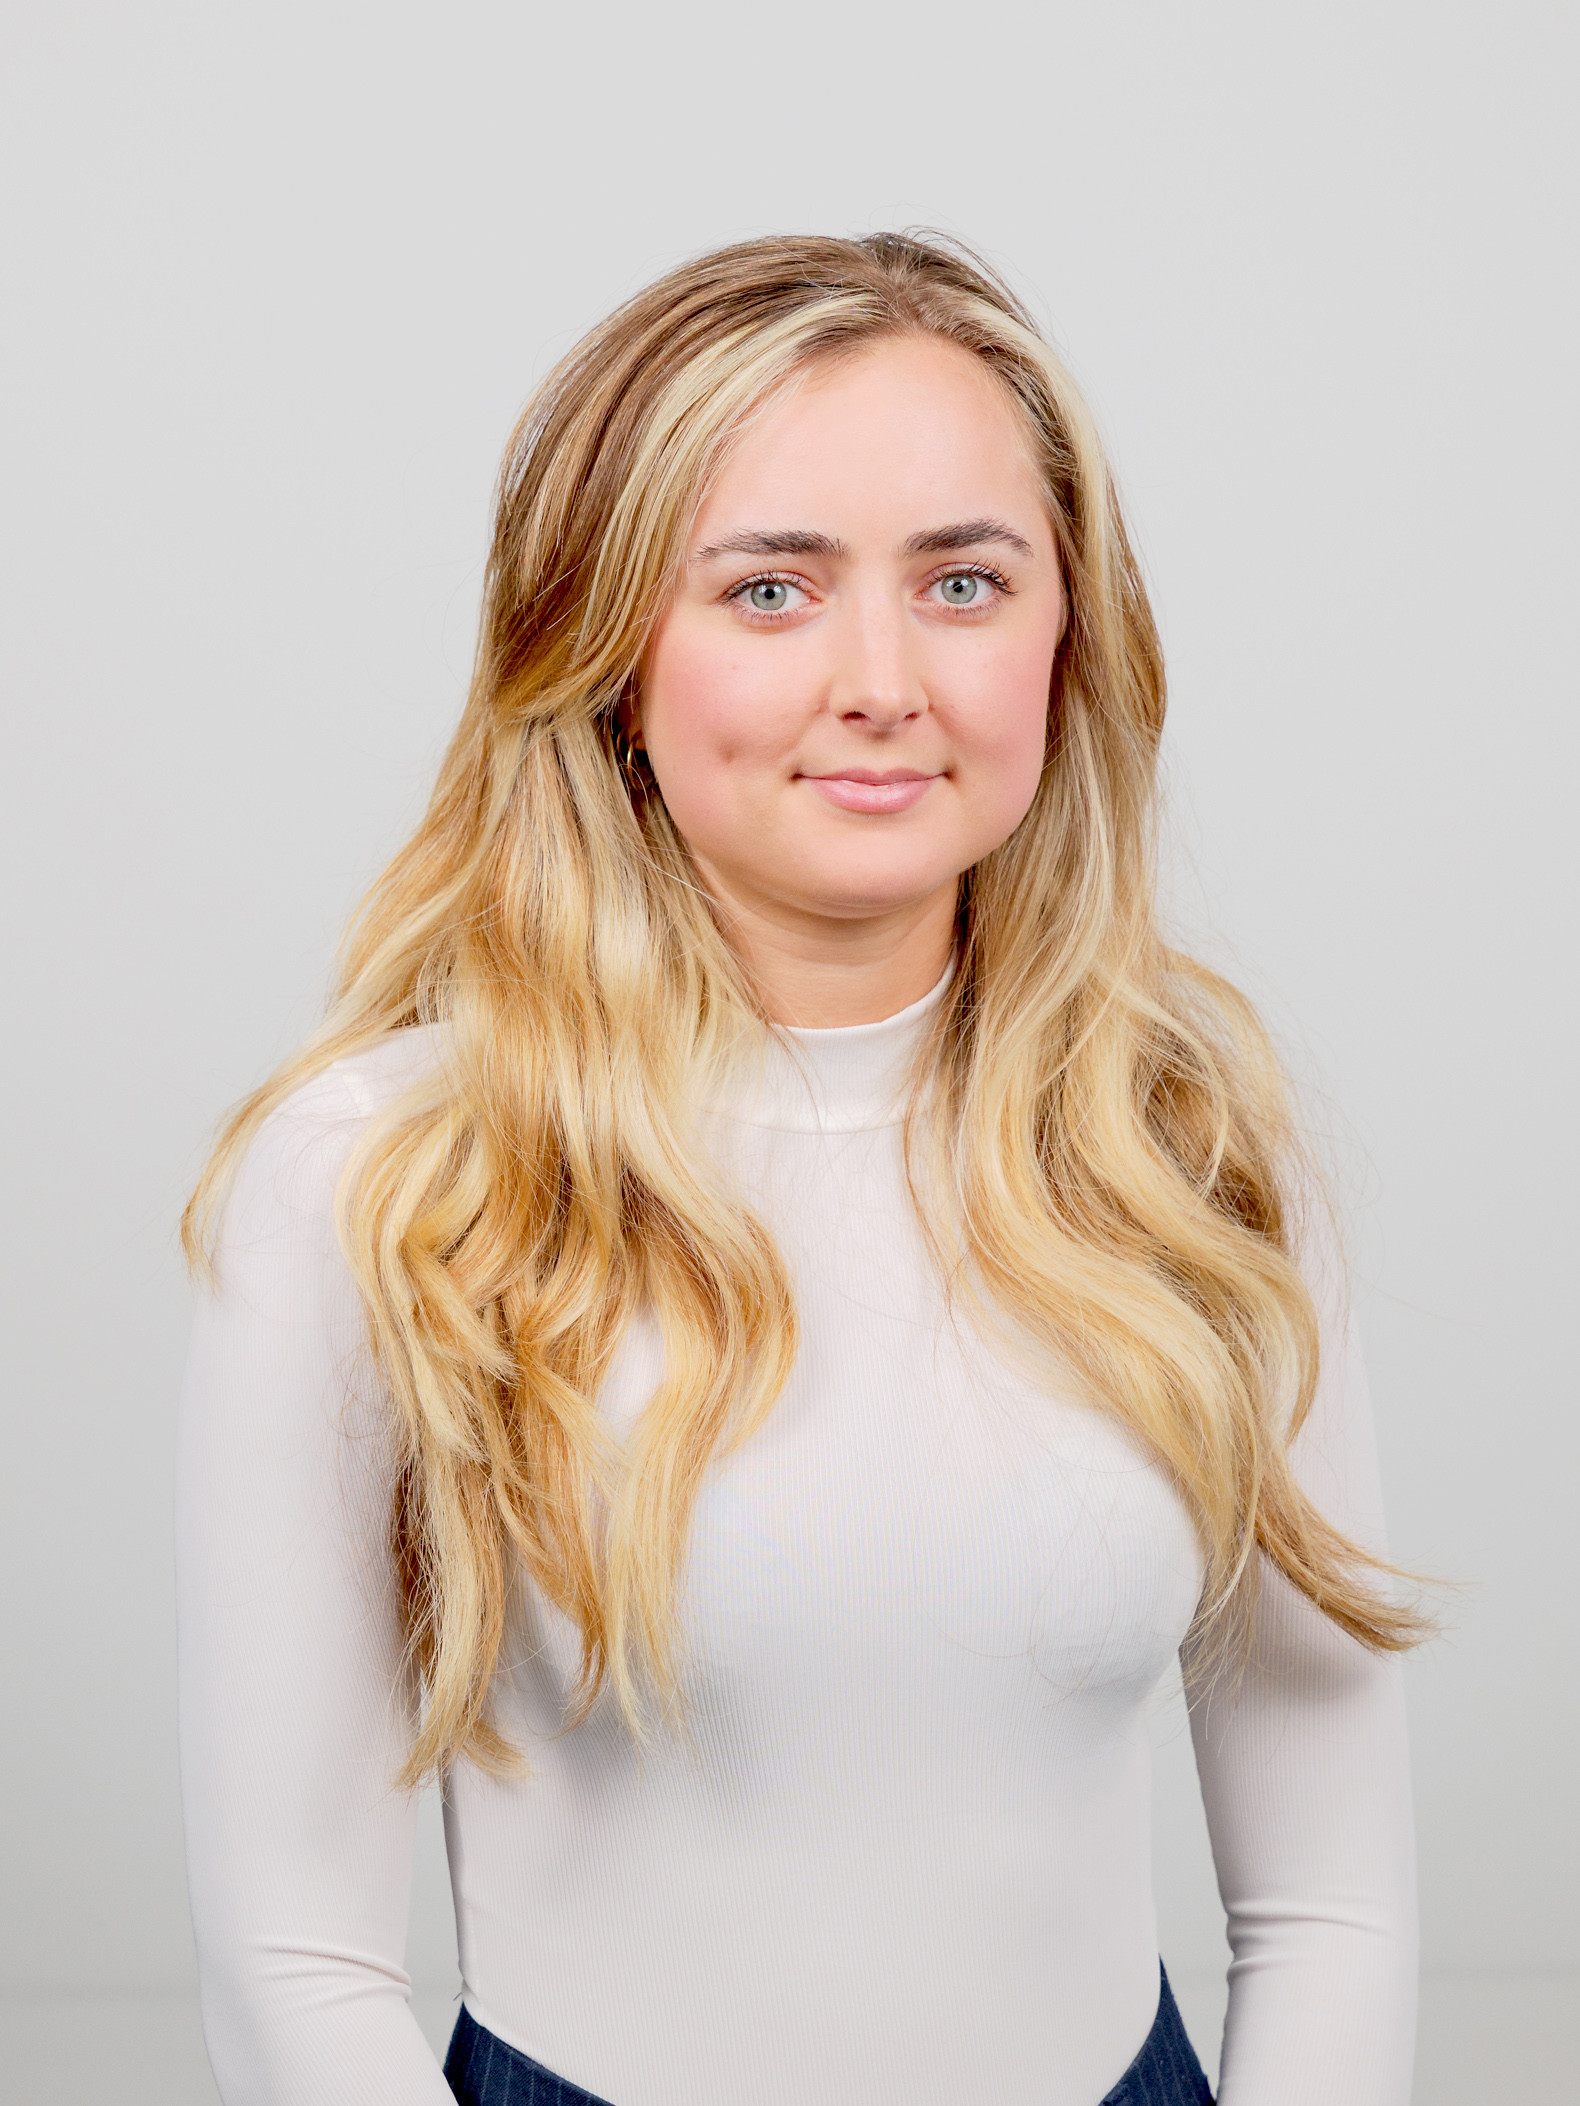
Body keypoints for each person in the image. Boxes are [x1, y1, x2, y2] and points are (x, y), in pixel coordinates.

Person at [176, 231, 1430, 2106]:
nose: (883, 680)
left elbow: (1332, 1905)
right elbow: (293, 1955)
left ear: (1067, 632)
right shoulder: (383, 1177)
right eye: (769, 588)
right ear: (608, 652)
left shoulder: (1189, 1150)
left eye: (963, 582)